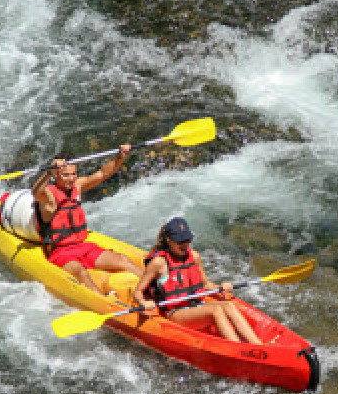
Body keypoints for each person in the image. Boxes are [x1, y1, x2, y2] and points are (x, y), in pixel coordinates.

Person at [132, 216, 263, 344]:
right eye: (179, 241)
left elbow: (205, 284)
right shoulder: (158, 263)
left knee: (228, 305)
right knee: (216, 310)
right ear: (168, 240)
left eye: (187, 240)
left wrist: (221, 287)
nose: (184, 244)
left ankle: (258, 345)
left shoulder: (194, 256)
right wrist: (144, 303)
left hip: (196, 305)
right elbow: (138, 292)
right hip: (176, 312)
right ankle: (238, 348)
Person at [32, 147, 143, 293]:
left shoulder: (77, 186)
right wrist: (48, 172)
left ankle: (157, 289)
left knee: (123, 260)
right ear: (56, 175)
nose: (71, 179)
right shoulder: (48, 196)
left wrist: (120, 157)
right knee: (81, 273)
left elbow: (103, 173)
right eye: (65, 175)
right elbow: (35, 192)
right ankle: (104, 304)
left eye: (73, 174)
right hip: (60, 252)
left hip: (83, 247)